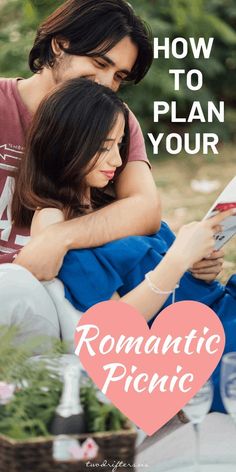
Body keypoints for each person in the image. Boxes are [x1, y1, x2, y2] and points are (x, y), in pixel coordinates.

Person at [0, 0, 224, 340]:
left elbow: (144, 208)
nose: (105, 84)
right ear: (60, 44)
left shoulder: (114, 118)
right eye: (99, 63)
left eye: (118, 76)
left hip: (70, 301)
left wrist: (59, 238)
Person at [12, 78, 236, 412]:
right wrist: (177, 260)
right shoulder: (54, 222)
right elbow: (115, 329)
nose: (117, 160)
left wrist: (197, 269)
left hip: (215, 307)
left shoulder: (117, 205)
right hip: (194, 347)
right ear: (65, 143)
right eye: (104, 146)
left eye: (119, 144)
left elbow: (170, 274)